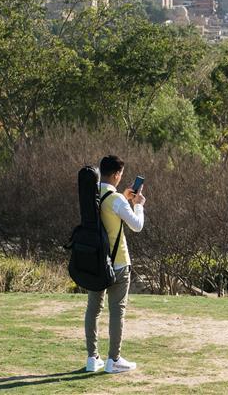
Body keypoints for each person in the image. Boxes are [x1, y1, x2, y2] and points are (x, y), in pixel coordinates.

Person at [85, 155, 145, 374]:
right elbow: (137, 225)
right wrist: (138, 205)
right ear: (117, 174)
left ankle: (93, 358)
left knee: (93, 309)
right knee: (116, 312)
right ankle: (114, 360)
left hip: (95, 262)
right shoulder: (117, 199)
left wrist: (126, 200)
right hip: (118, 262)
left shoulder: (92, 194)